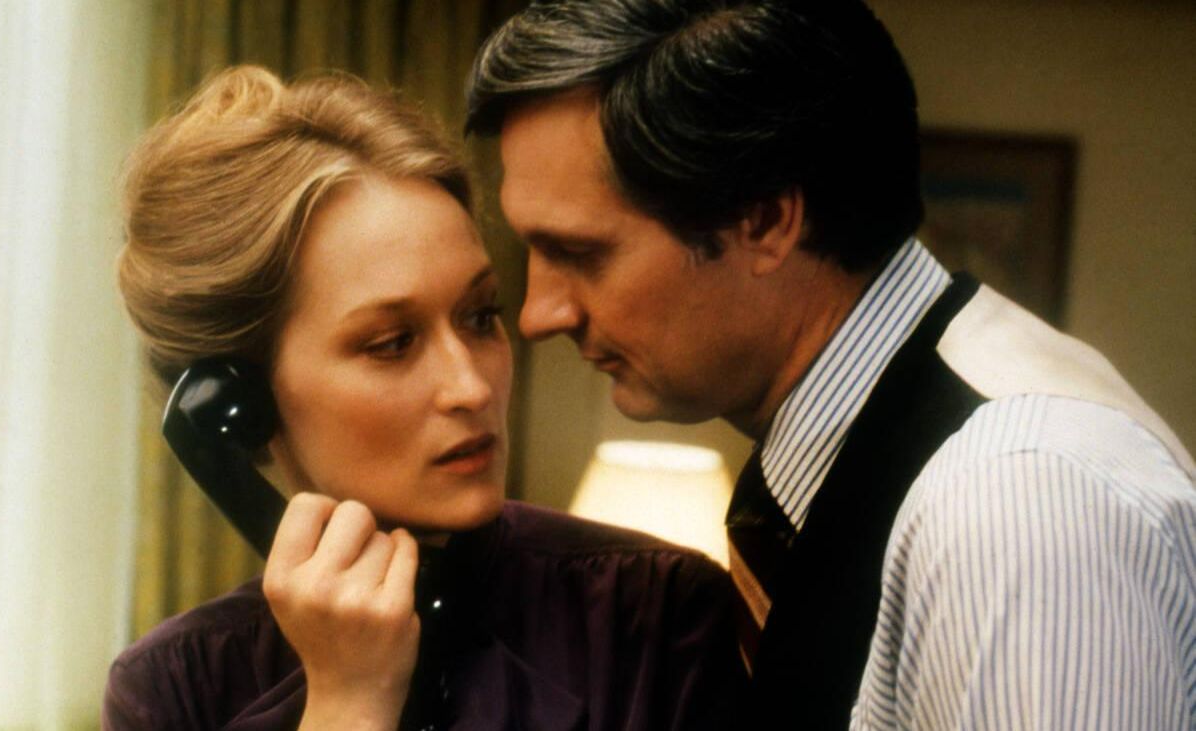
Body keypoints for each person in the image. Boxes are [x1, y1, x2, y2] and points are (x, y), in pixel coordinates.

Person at [465, 0, 1196, 728]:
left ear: (765, 220)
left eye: (579, 253)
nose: (538, 315)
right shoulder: (866, 466)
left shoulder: (1014, 503)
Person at [102, 65, 747, 730]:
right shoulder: (174, 687)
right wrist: (349, 702)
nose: (472, 386)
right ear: (241, 402)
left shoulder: (660, 616)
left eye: (480, 316)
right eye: (392, 343)